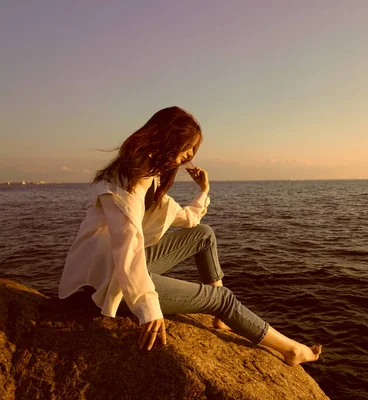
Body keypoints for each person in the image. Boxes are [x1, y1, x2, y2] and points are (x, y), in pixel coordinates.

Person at [58, 106, 321, 366]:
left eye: (192, 151)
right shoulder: (126, 182)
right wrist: (148, 310)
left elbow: (188, 220)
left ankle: (219, 316)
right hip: (104, 282)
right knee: (223, 298)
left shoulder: (149, 177)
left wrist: (203, 191)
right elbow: (128, 247)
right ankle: (292, 350)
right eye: (187, 148)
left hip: (118, 265)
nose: (188, 156)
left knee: (203, 235)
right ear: (167, 140)